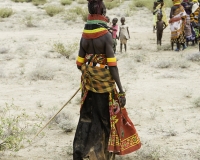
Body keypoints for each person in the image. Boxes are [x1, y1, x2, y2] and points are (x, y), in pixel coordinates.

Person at [74, 0, 141, 159]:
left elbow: (79, 64)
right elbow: (112, 66)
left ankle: (84, 152)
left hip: (89, 87)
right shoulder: (106, 37)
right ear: (102, 12)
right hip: (105, 89)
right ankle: (102, 155)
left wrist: (91, 71)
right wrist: (121, 91)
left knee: (88, 117)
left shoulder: (84, 37)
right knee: (105, 121)